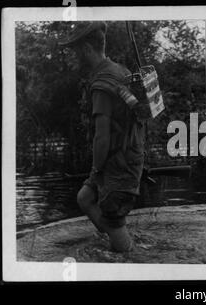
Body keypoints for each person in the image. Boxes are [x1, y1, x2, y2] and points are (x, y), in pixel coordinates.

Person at [59, 21, 146, 252]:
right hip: (123, 159)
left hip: (118, 164)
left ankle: (125, 252)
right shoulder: (121, 71)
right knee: (85, 198)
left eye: (76, 51)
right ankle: (117, 241)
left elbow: (102, 138)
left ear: (87, 49)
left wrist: (96, 171)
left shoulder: (102, 84)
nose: (74, 56)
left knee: (114, 220)